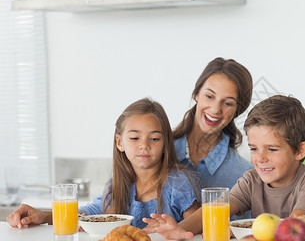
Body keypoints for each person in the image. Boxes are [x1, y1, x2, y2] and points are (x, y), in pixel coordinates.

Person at [143, 95, 305, 240]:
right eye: (254, 148)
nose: (260, 158)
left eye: (271, 149)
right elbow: (214, 210)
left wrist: (239, 232)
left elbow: (294, 228)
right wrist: (181, 228)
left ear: (299, 150)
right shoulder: (252, 180)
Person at [7, 98, 201, 230]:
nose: (144, 146)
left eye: (155, 139)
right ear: (120, 142)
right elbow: (90, 216)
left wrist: (177, 230)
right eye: (134, 138)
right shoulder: (118, 185)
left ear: (166, 143)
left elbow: (199, 228)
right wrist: (43, 216)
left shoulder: (179, 182)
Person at [173, 57, 254, 219]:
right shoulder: (157, 152)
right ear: (197, 93)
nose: (216, 109)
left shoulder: (244, 175)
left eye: (228, 103)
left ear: (237, 110)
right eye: (209, 96)